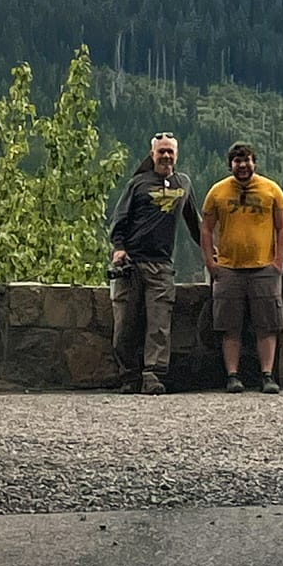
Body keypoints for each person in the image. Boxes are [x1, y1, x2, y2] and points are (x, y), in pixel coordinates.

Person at [107, 131, 201, 395]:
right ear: (152, 155)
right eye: (162, 151)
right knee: (125, 323)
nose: (166, 156)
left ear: (176, 155)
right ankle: (128, 376)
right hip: (132, 263)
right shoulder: (137, 184)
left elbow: (195, 223)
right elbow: (119, 219)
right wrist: (119, 248)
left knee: (159, 324)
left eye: (170, 151)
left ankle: (153, 375)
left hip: (161, 266)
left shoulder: (184, 183)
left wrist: (211, 253)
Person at [199, 141, 283, 395]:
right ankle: (232, 376)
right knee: (230, 326)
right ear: (230, 165)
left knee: (267, 325)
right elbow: (205, 228)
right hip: (228, 269)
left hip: (264, 268)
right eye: (238, 161)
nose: (243, 165)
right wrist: (210, 261)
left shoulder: (272, 190)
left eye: (247, 160)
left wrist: (278, 261)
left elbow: (282, 227)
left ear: (254, 162)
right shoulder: (217, 192)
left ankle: (267, 375)